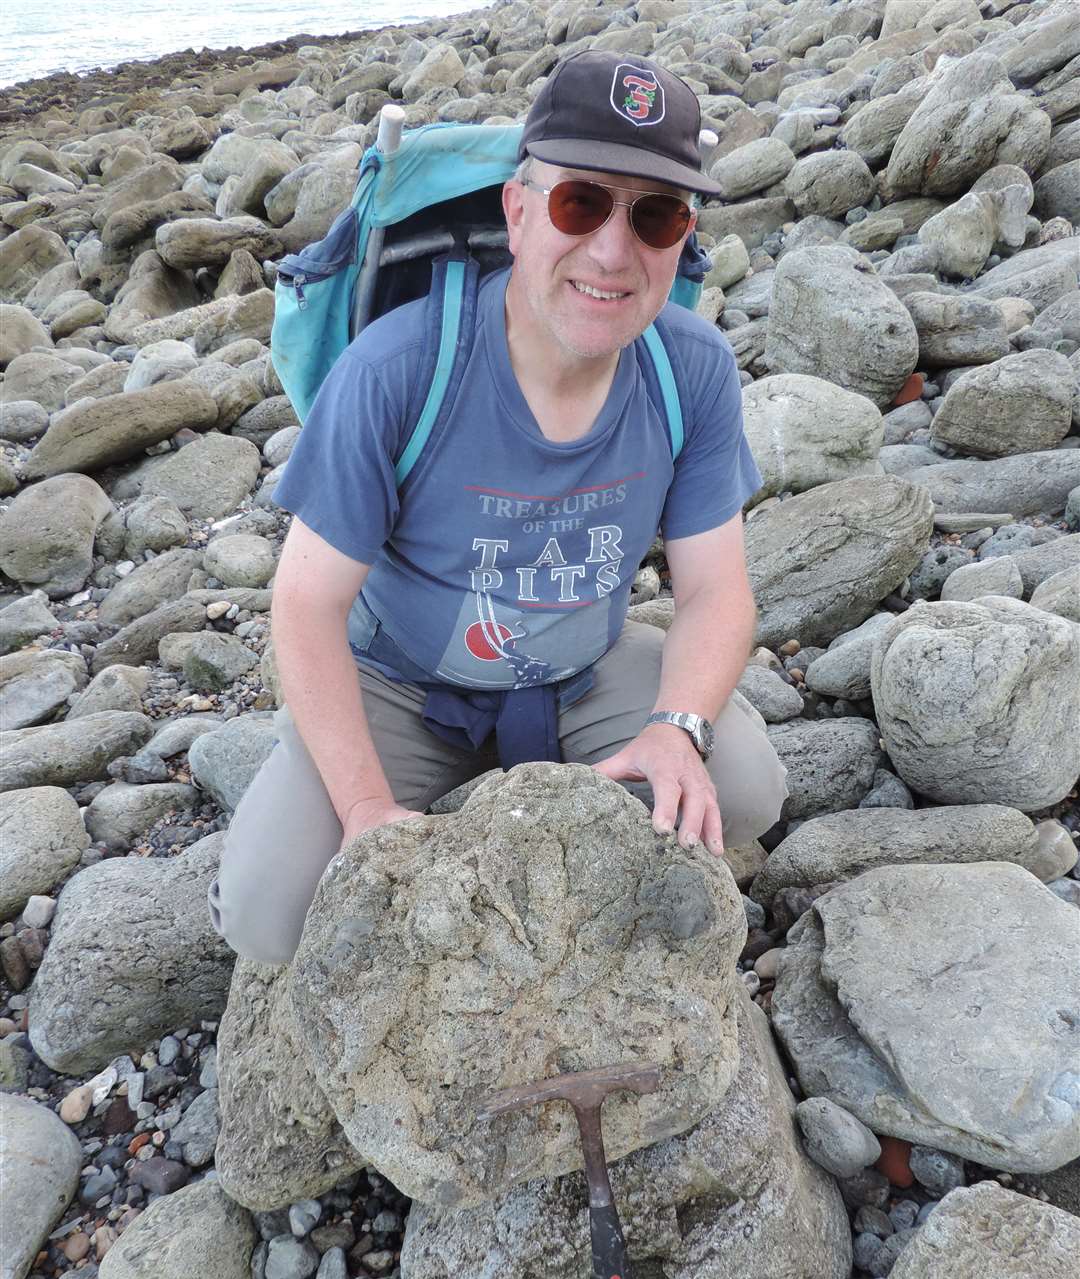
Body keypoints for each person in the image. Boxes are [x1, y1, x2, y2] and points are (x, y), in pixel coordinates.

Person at [209, 50, 787, 965]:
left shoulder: (692, 370)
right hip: (401, 681)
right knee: (269, 916)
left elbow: (716, 588)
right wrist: (367, 815)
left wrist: (677, 729)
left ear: (683, 237)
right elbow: (305, 605)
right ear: (518, 213)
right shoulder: (399, 371)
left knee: (746, 786)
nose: (612, 248)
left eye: (656, 214)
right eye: (580, 202)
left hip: (581, 670)